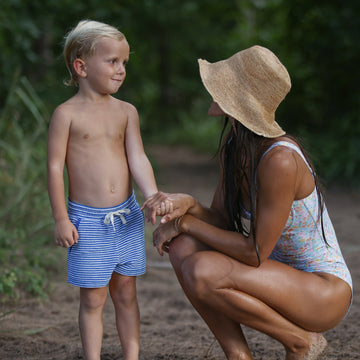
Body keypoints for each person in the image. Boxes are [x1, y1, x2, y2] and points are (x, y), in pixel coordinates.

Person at [142, 45, 353, 360]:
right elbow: (221, 222)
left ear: (238, 99)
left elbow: (253, 253)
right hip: (276, 278)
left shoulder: (280, 160)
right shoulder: (236, 144)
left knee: (202, 267)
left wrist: (184, 222)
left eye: (223, 85)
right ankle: (239, 355)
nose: (211, 90)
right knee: (183, 247)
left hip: (322, 293)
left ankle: (300, 342)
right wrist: (186, 204)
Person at [47, 20, 168, 360]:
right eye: (112, 61)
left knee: (127, 291)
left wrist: (152, 194)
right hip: (88, 221)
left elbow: (138, 157)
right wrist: (60, 218)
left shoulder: (126, 112)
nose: (120, 70)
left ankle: (131, 355)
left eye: (124, 63)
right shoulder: (66, 114)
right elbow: (55, 168)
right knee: (93, 297)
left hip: (126, 216)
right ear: (81, 66)